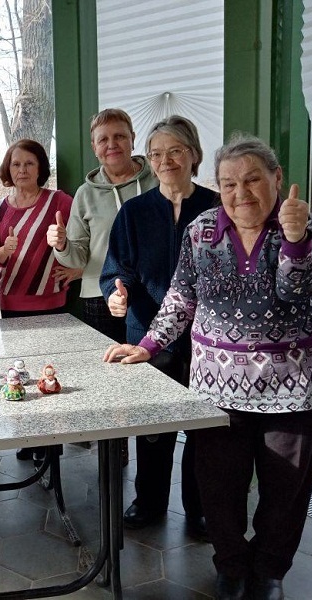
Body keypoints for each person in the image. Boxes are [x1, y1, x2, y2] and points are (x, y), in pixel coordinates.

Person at [103, 134, 312, 600]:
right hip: (219, 387)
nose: (240, 192)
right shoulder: (202, 230)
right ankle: (231, 565)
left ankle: (269, 571)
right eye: (228, 183)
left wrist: (294, 240)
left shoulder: (301, 224)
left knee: (284, 490)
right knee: (219, 487)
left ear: (276, 178)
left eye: (253, 179)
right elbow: (182, 295)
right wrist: (148, 345)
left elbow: (299, 288)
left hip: (297, 387)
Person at [100, 115, 218, 538]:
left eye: (175, 151)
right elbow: (116, 271)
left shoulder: (217, 209)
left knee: (203, 428)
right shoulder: (133, 212)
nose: (165, 160)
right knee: (152, 427)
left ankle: (200, 508)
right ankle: (148, 500)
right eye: (156, 154)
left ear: (193, 155)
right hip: (145, 335)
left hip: (207, 342)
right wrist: (117, 295)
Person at [0, 138, 76, 463]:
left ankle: (51, 442)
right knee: (19, 375)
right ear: (7, 169)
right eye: (15, 164)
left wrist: (78, 270)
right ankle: (30, 436)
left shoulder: (60, 201)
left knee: (50, 374)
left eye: (29, 163)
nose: (22, 169)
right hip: (11, 304)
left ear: (40, 167)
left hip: (52, 303)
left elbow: (82, 241)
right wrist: (1, 252)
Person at [48, 108, 158, 342]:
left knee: (156, 369)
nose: (112, 144)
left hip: (154, 291)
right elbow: (76, 258)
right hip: (101, 298)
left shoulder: (158, 180)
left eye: (119, 136)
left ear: (132, 139)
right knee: (111, 372)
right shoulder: (85, 194)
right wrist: (62, 245)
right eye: (103, 139)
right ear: (94, 147)